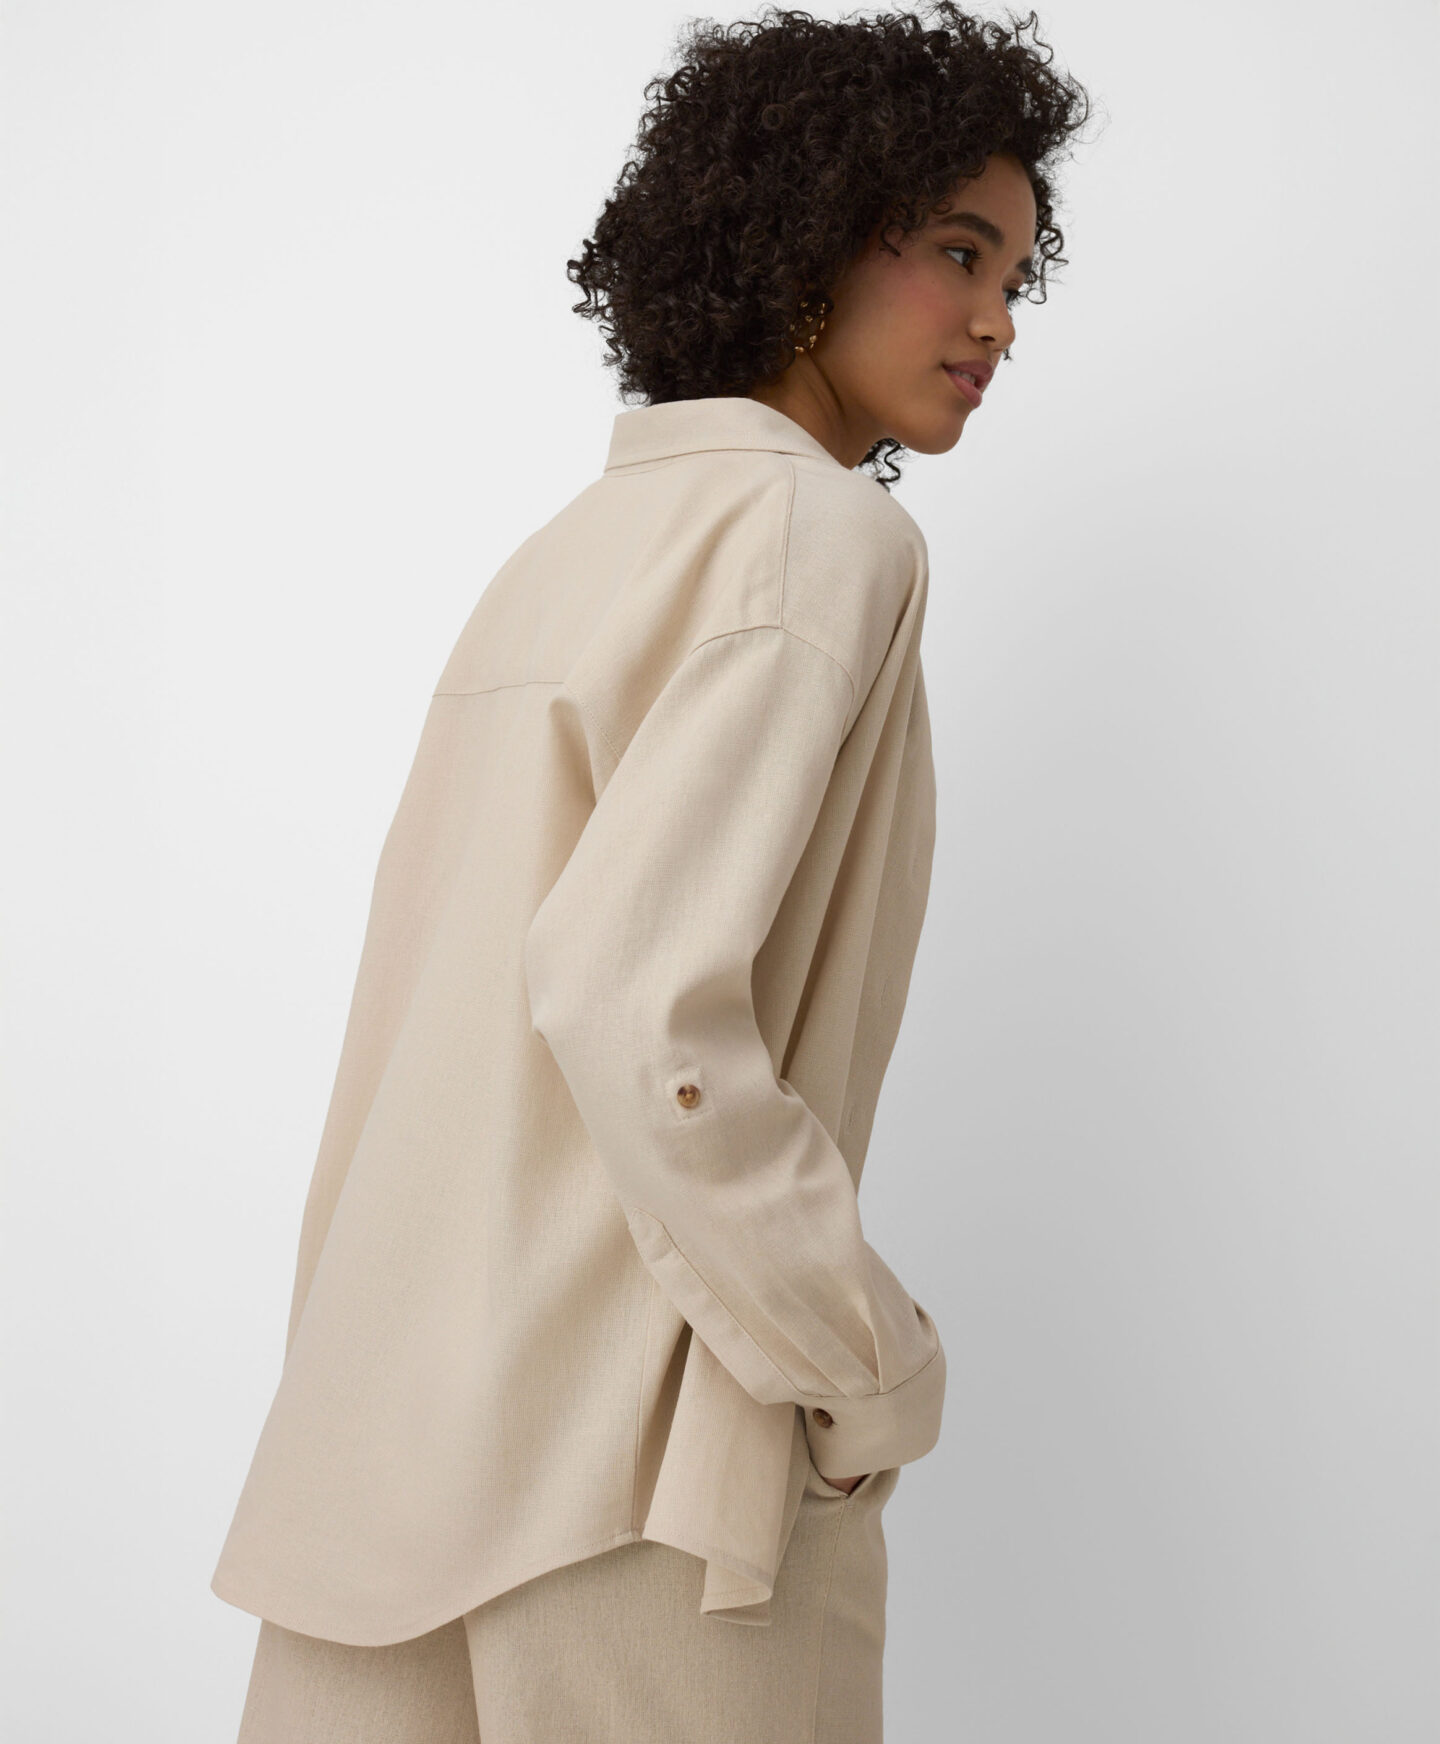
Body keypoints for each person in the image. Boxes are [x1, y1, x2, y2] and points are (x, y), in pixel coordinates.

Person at [215, 5, 1089, 1739]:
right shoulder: (818, 534)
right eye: (957, 252)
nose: (999, 318)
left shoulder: (568, 551)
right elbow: (630, 995)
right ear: (811, 238)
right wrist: (862, 1363)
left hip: (380, 1455)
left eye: (1017, 275)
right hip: (637, 1480)